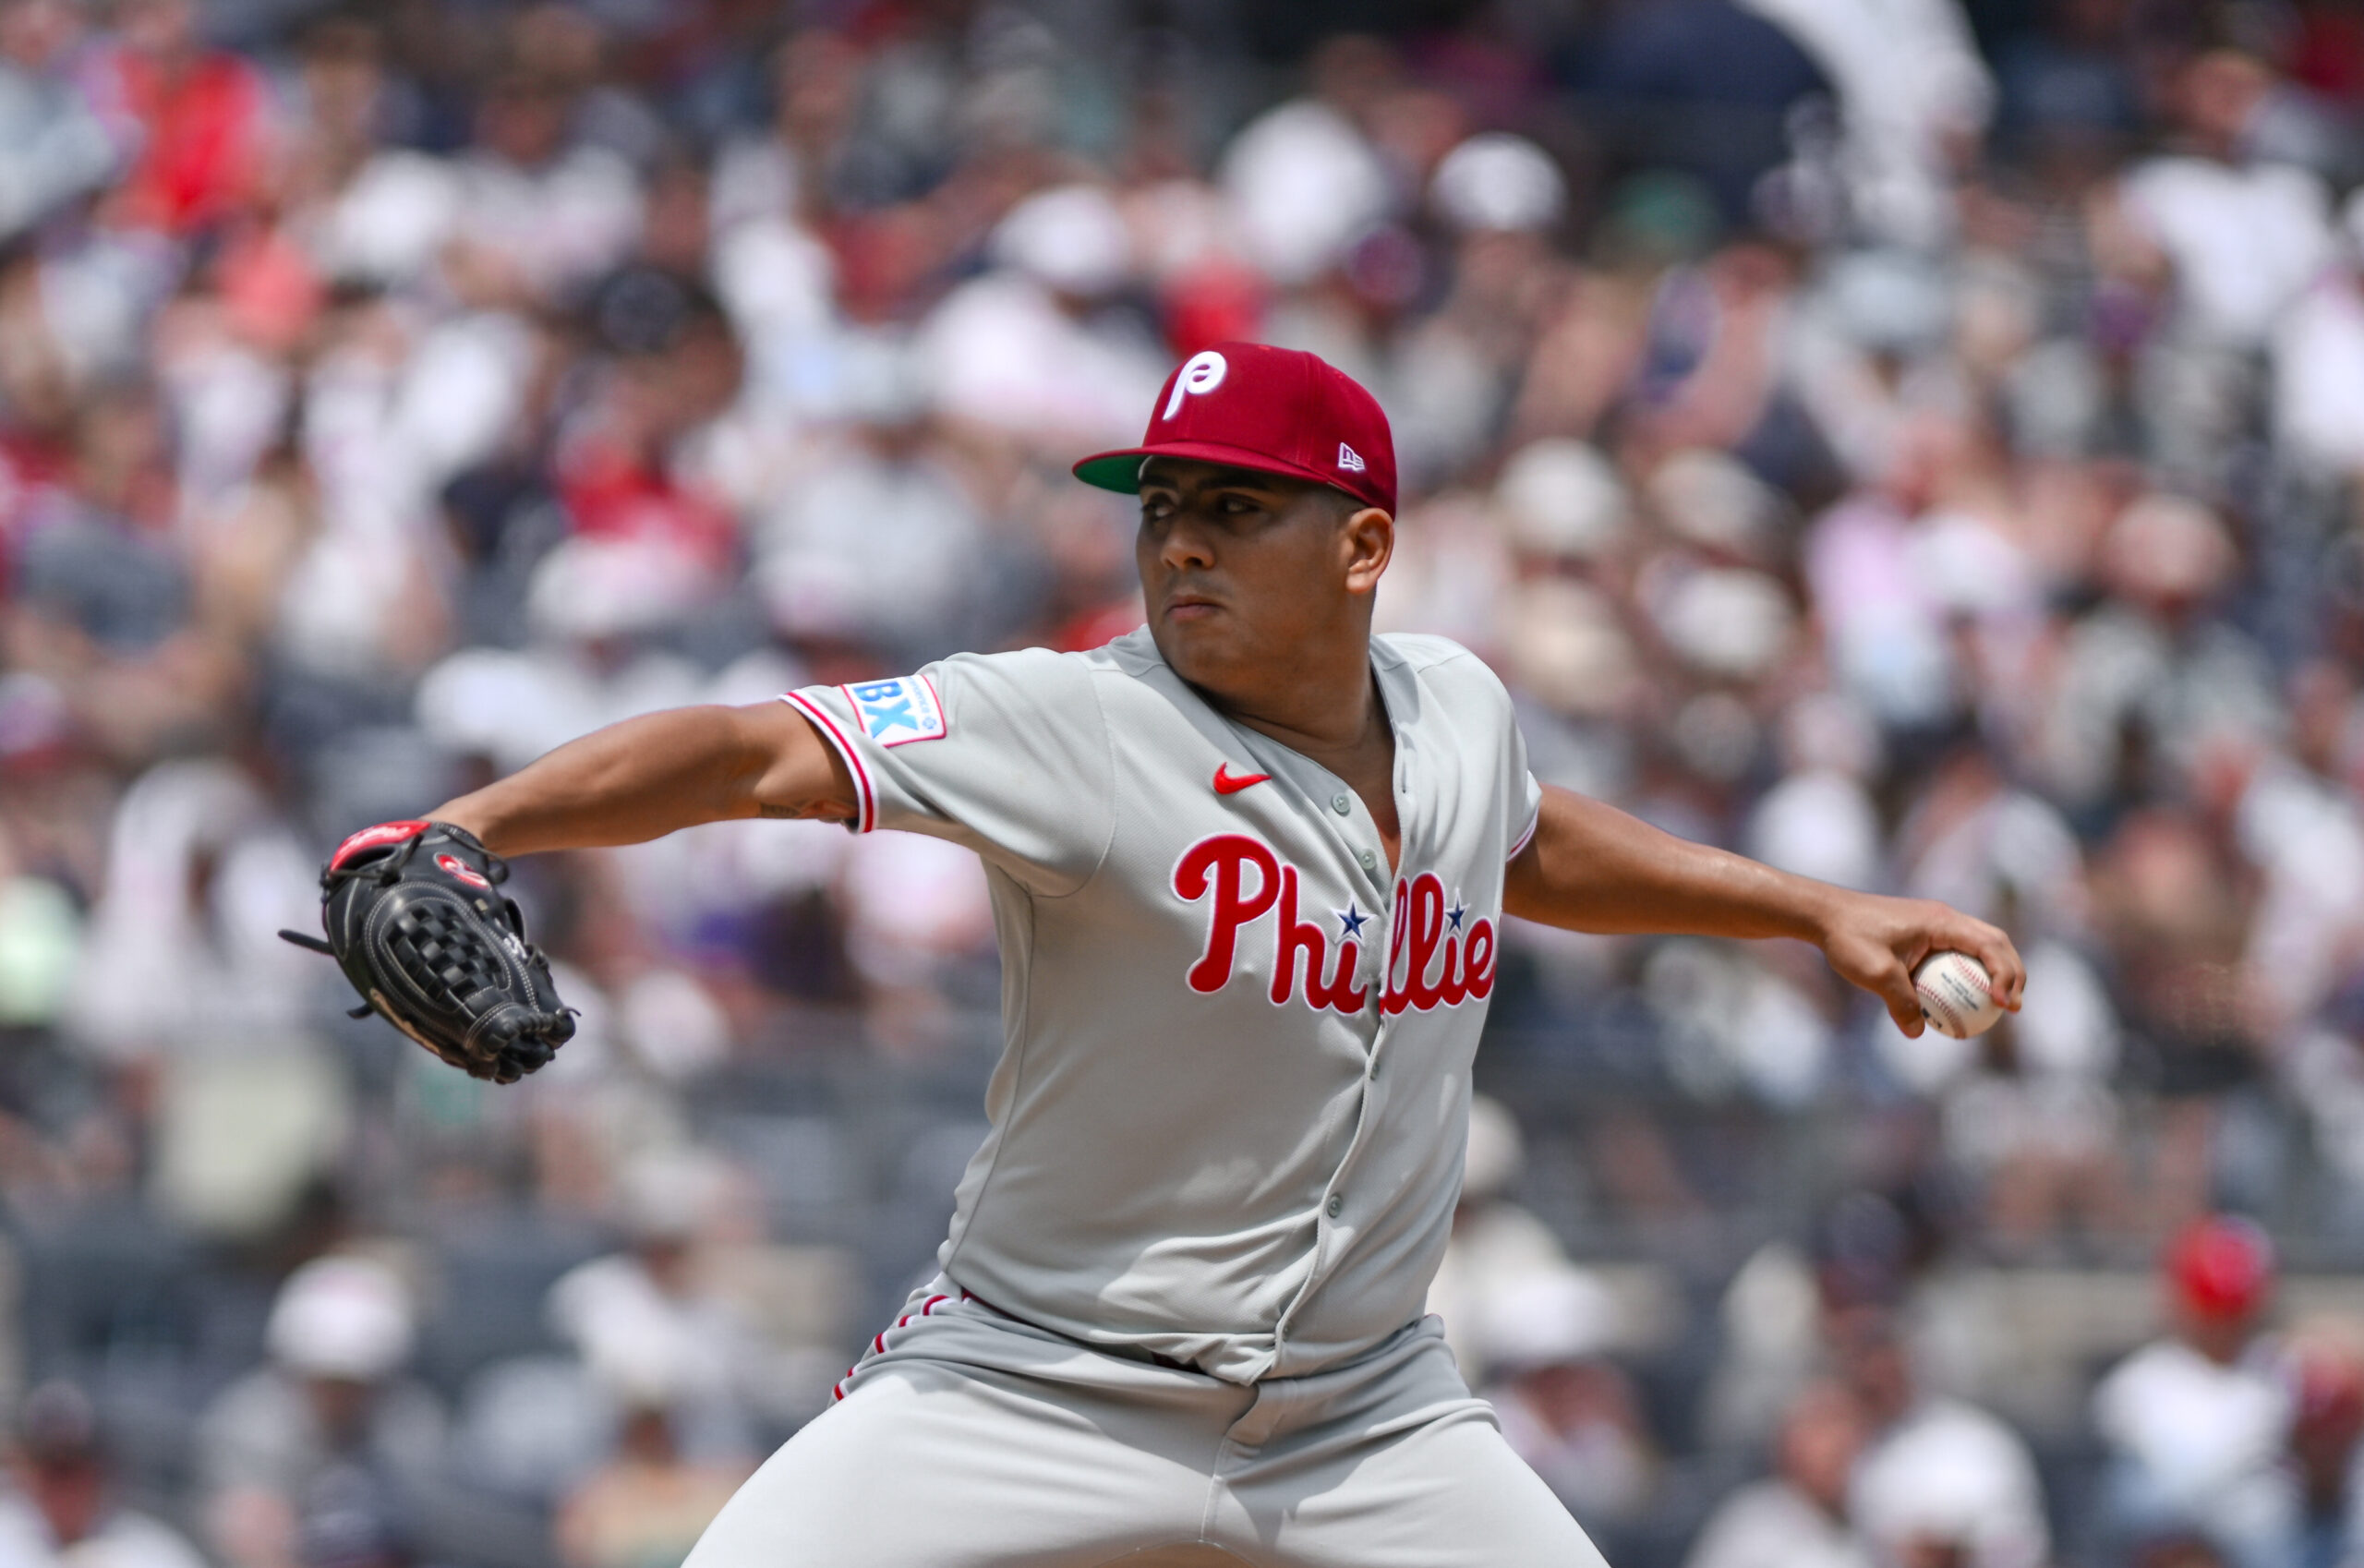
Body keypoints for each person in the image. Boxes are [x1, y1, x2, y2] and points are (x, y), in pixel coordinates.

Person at [413, 341, 2024, 1565]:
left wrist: (1815, 909)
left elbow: (1524, 844)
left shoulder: (1457, 704)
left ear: (1363, 545)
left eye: (1237, 509)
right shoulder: (1075, 721)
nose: (1180, 543)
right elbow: (747, 752)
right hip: (1040, 1377)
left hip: (1368, 1407)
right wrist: (473, 825)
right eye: (1164, 509)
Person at [0, 1381, 209, 1568]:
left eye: (74, 1471)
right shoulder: (7, 1538)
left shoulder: (155, 1551)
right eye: (52, 1473)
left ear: (102, 1472)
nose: (65, 1489)